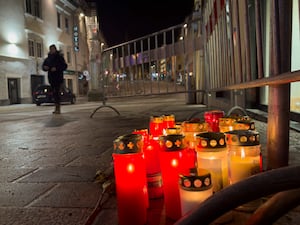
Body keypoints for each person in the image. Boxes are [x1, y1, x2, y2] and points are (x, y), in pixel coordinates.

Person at [42, 44, 68, 114]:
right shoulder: (48, 58)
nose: (51, 51)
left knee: (57, 92)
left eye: (53, 49)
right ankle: (56, 107)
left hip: (58, 77)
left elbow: (64, 66)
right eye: (50, 49)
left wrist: (56, 68)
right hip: (51, 78)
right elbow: (43, 66)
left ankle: (57, 107)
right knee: (54, 93)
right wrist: (45, 68)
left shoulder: (59, 57)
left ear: (55, 49)